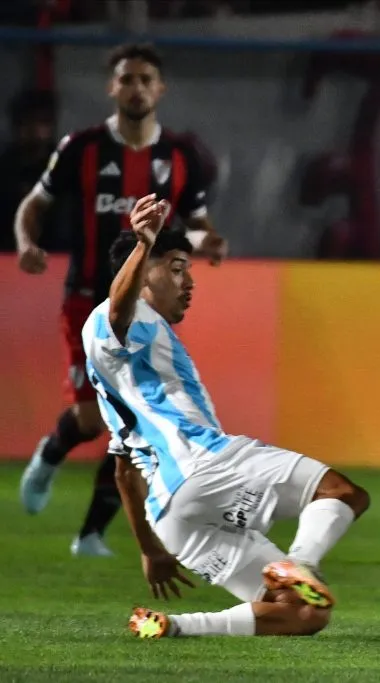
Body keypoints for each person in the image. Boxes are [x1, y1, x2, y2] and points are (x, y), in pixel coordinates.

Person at [86, 194, 369, 638]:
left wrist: (150, 548)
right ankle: (300, 563)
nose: (188, 282)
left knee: (304, 613)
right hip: (204, 465)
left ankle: (170, 627)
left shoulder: (126, 377)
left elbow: (124, 471)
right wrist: (143, 244)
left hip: (171, 516)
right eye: (176, 268)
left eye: (189, 271)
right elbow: (119, 311)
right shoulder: (116, 318)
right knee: (341, 493)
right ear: (142, 273)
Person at [15, 43, 228, 557]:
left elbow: (195, 230)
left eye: (145, 79)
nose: (136, 88)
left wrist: (210, 243)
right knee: (92, 421)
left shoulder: (181, 158)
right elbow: (34, 205)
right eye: (127, 79)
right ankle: (52, 451)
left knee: (136, 422)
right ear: (113, 87)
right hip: (88, 300)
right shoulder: (81, 148)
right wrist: (27, 245)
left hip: (150, 311)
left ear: (160, 89)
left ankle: (90, 536)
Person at [0, 88, 63, 253]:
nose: (34, 130)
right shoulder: (5, 167)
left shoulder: (64, 166)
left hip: (57, 257)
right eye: (27, 123)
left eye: (42, 122)